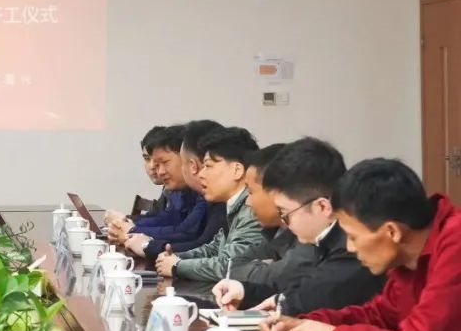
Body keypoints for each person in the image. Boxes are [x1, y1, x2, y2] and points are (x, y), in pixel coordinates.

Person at [260, 158, 461, 331]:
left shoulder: (455, 245)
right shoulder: (407, 255)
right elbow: (380, 315)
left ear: (391, 231)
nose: (350, 248)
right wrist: (303, 325)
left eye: (353, 237)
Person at [212, 138, 384, 315]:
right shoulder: (323, 237)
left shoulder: (351, 246)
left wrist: (280, 302)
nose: (284, 223)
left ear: (322, 207)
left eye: (285, 213)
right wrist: (244, 292)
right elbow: (296, 289)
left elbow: (314, 296)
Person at [156, 126, 265, 281]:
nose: (201, 174)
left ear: (237, 170)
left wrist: (177, 266)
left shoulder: (252, 209)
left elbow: (230, 266)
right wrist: (176, 257)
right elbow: (214, 249)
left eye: (208, 166)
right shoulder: (234, 204)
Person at [116, 125, 211, 256]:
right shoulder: (182, 190)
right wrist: (128, 225)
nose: (159, 171)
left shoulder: (210, 195)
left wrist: (139, 237)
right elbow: (168, 218)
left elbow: (191, 235)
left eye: (165, 162)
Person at [227, 143, 313, 286]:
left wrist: (265, 269)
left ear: (276, 192)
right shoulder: (276, 232)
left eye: (251, 192)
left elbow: (283, 277)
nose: (248, 202)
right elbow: (234, 268)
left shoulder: (308, 236)